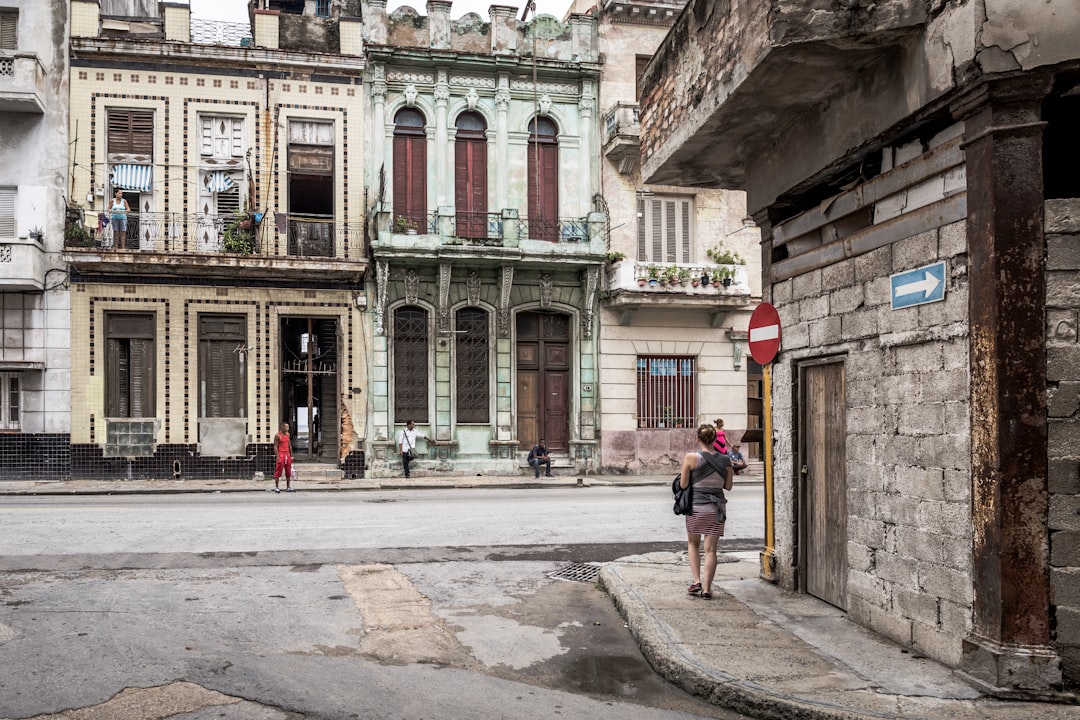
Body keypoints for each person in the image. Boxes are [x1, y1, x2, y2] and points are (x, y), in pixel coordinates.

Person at [679, 423, 733, 600]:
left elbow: (683, 485)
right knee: (711, 550)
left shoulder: (690, 458)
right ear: (715, 439)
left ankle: (696, 581)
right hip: (716, 508)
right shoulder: (726, 460)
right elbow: (728, 486)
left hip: (696, 507)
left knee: (693, 544)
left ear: (698, 438)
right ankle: (707, 589)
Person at [273, 422, 294, 493]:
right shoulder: (277, 435)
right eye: (286, 427)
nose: (288, 428)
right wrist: (278, 457)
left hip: (287, 455)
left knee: (288, 471)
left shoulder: (288, 435)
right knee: (278, 471)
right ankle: (277, 487)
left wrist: (291, 455)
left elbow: (289, 445)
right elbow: (275, 447)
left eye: (288, 427)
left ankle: (288, 487)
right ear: (282, 427)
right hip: (281, 455)